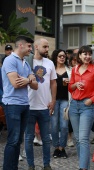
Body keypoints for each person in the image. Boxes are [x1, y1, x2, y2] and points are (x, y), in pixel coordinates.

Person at [2, 36, 38, 170]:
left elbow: (35, 86)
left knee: (18, 140)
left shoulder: (26, 63)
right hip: (12, 104)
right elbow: (15, 83)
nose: (31, 49)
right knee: (13, 140)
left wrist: (28, 80)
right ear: (21, 46)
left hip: (24, 104)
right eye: (29, 46)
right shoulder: (10, 60)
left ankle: (14, 167)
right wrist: (29, 79)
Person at [68, 45, 94, 170]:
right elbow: (70, 87)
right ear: (80, 56)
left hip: (87, 107)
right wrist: (76, 84)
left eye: (89, 54)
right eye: (85, 54)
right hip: (74, 106)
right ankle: (85, 166)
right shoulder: (74, 69)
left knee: (83, 139)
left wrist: (92, 100)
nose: (87, 56)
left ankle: (82, 168)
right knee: (77, 139)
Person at [25, 38, 57, 170]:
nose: (47, 49)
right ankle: (31, 165)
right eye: (44, 46)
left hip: (45, 106)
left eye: (48, 47)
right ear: (36, 47)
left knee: (46, 138)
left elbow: (53, 83)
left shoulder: (50, 63)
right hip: (29, 106)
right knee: (28, 138)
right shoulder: (27, 62)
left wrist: (53, 100)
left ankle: (46, 164)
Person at [51, 49, 71, 158]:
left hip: (65, 100)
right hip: (53, 100)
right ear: (55, 57)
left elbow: (73, 85)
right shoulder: (51, 69)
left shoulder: (69, 71)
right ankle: (55, 147)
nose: (62, 58)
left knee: (64, 125)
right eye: (60, 56)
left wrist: (70, 83)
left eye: (64, 56)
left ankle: (62, 148)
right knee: (54, 125)